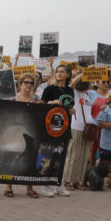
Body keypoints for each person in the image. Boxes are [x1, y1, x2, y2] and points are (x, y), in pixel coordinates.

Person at [38, 64, 76, 197]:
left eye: (62, 72)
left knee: (61, 157)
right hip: (51, 128)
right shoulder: (49, 89)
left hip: (65, 128)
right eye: (58, 71)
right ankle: (45, 186)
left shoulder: (70, 91)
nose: (59, 74)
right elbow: (41, 105)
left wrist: (72, 110)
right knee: (49, 156)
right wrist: (51, 103)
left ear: (68, 75)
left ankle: (58, 184)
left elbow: (69, 107)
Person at [4, 73, 40, 198]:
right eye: (26, 82)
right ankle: (8, 186)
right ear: (20, 84)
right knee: (12, 158)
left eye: (31, 83)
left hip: (30, 133)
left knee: (30, 159)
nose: (28, 85)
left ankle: (29, 187)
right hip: (15, 132)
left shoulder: (36, 99)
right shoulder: (13, 98)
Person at [60, 76, 93, 190]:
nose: (89, 82)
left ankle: (77, 180)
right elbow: (72, 83)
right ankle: (67, 180)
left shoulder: (88, 95)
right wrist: (84, 72)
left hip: (88, 128)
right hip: (76, 126)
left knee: (83, 156)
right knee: (74, 155)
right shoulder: (74, 92)